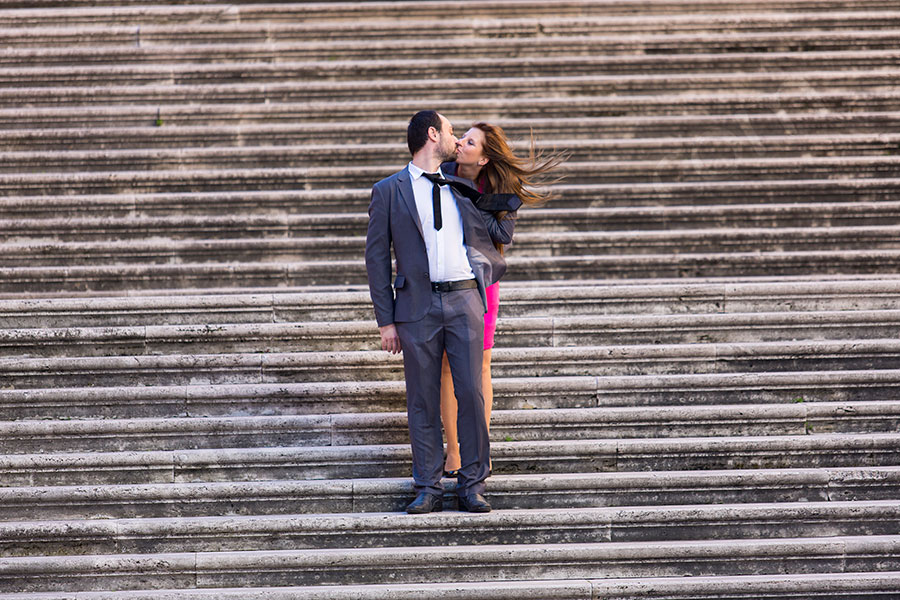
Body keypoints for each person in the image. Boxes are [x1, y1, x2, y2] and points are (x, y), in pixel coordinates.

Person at [365, 111, 508, 514]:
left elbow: (502, 221)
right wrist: (386, 320)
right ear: (432, 135)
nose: (454, 137)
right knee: (422, 400)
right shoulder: (389, 191)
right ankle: (428, 485)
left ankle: (473, 483)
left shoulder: (463, 184)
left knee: (472, 394)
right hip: (416, 308)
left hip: (465, 301)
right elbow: (376, 260)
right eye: (449, 131)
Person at [439, 122, 566, 477]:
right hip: (446, 279)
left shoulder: (499, 190)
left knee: (480, 367)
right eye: (462, 137)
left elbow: (501, 236)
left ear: (483, 159)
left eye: (470, 141)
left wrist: (467, 198)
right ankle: (453, 451)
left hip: (482, 284)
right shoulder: (441, 174)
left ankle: (480, 446)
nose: (460, 143)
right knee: (448, 368)